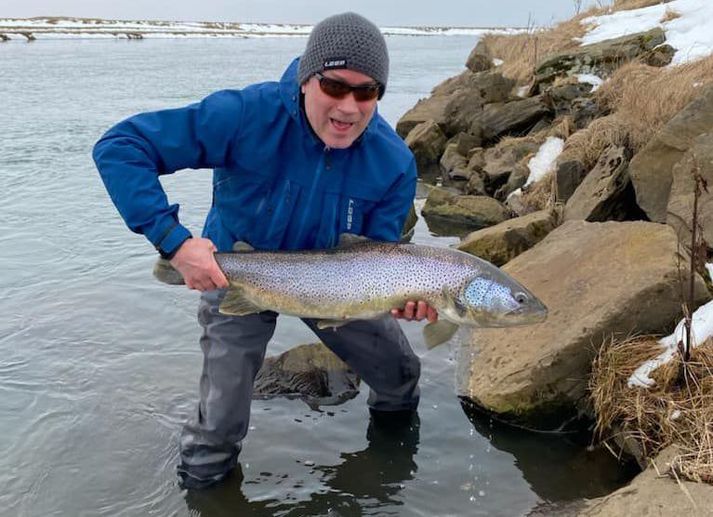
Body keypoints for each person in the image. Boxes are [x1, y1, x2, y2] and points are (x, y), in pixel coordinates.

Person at [93, 12, 437, 490]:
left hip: (337, 286)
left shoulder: (394, 163)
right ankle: (205, 491)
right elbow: (121, 146)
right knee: (216, 432)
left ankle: (389, 480)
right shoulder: (245, 115)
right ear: (305, 80)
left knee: (401, 378)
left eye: (367, 92)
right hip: (234, 275)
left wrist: (403, 298)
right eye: (335, 87)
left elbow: (379, 253)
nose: (350, 107)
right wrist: (174, 242)